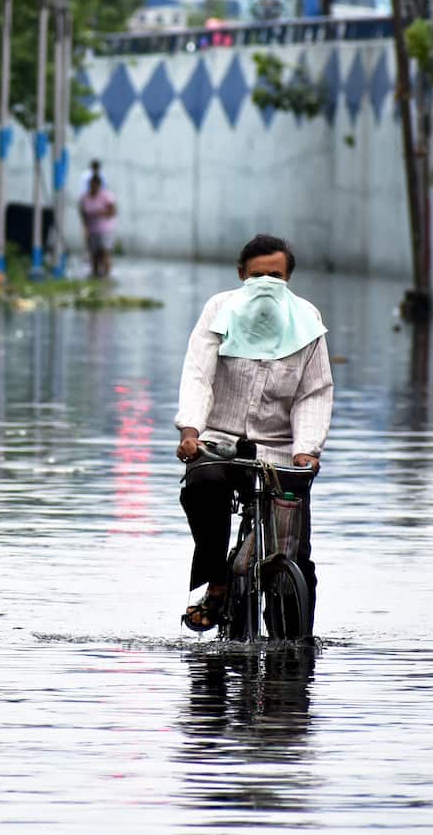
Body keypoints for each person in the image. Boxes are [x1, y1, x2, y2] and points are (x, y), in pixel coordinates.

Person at [174, 234, 334, 633]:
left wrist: (307, 450)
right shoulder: (219, 310)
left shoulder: (307, 320)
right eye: (258, 275)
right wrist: (192, 431)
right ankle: (219, 582)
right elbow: (198, 375)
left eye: (276, 276)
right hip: (220, 441)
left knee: (297, 551)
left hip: (280, 450)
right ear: (241, 274)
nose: (266, 284)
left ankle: (297, 636)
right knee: (203, 485)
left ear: (289, 278)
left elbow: (313, 393)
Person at [78, 175, 117, 279]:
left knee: (104, 252)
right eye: (91, 185)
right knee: (94, 254)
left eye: (95, 185)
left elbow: (113, 211)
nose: (93, 187)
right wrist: (85, 227)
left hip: (105, 229)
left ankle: (106, 276)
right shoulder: (85, 197)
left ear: (99, 185)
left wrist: (100, 213)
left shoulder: (106, 196)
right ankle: (95, 275)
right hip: (92, 229)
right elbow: (83, 213)